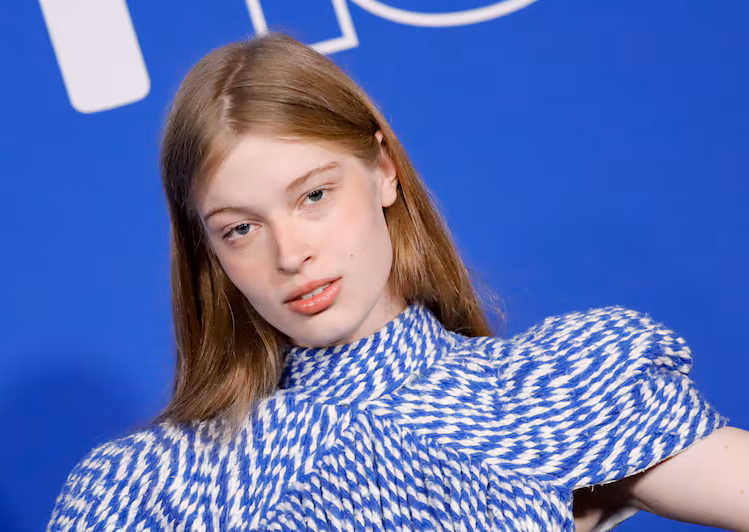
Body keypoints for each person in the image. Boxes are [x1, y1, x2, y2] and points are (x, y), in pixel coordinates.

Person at [47, 32, 749, 531]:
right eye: (240, 228)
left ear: (382, 170)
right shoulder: (145, 491)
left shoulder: (555, 392)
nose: (290, 254)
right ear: (209, 252)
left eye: (314, 196)